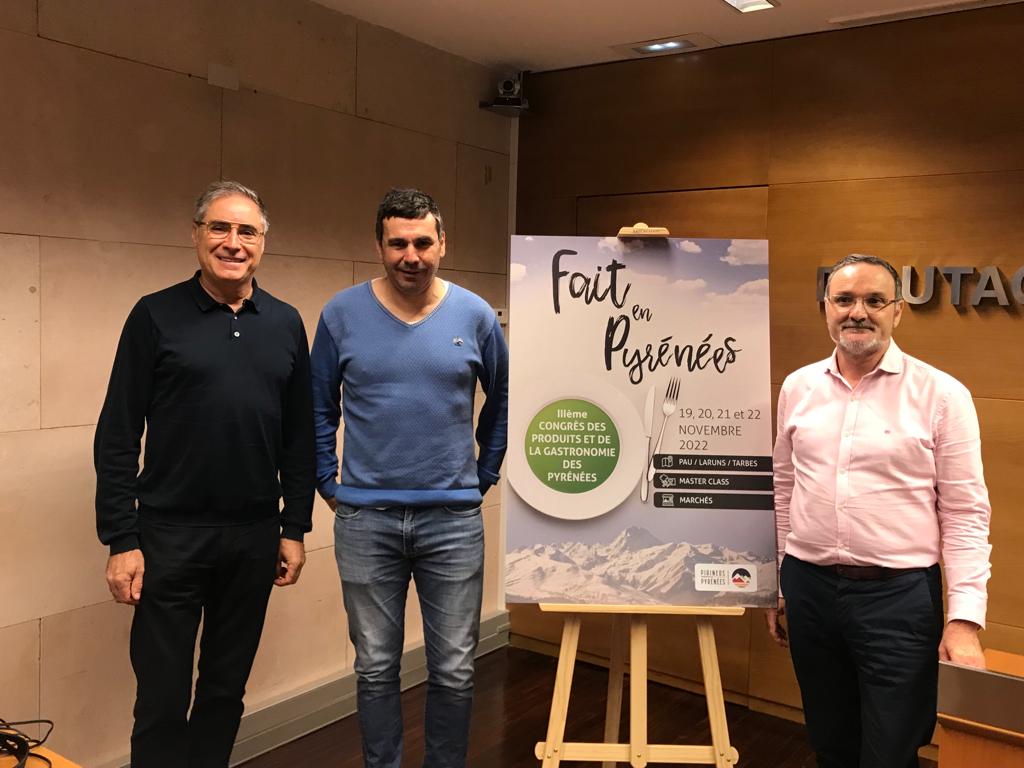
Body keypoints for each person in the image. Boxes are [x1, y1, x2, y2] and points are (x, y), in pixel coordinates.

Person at [95, 180, 315, 768]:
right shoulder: (154, 315)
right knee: (162, 699)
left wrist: (294, 526)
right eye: (220, 227)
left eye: (247, 231)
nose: (233, 242)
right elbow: (117, 434)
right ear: (196, 235)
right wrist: (123, 537)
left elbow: (300, 438)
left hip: (253, 537)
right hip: (169, 538)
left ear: (263, 242)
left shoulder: (287, 323)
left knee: (224, 692)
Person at [766, 253, 992, 768]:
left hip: (900, 600)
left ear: (897, 311)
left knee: (891, 750)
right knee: (830, 742)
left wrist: (963, 620)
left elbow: (965, 513)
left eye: (874, 300)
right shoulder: (797, 388)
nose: (857, 312)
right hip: (809, 588)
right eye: (844, 300)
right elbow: (783, 488)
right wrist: (779, 585)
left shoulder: (941, 395)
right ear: (825, 307)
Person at [310, 188, 508, 768]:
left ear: (443, 244)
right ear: (380, 246)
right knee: (374, 667)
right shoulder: (341, 314)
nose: (411, 255)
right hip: (365, 521)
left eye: (423, 242)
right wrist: (328, 480)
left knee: (454, 669)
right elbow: (319, 406)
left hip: (452, 522)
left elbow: (502, 396)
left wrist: (485, 472)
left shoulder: (473, 315)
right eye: (398, 243)